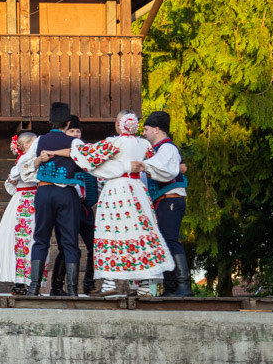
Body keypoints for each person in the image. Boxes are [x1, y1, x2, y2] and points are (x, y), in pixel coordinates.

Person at [72, 110, 175, 296]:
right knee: (140, 232)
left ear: (119, 125)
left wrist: (75, 144)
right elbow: (159, 165)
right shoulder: (144, 145)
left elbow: (90, 158)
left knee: (111, 231)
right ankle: (145, 286)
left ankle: (109, 284)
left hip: (116, 190)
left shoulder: (115, 142)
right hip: (137, 190)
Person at [24, 102, 84, 297]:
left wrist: (40, 160)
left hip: (43, 191)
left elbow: (26, 165)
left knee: (40, 239)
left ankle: (34, 287)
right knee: (69, 241)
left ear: (50, 121)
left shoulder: (40, 140)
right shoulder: (74, 142)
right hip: (66, 192)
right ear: (67, 123)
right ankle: (73, 290)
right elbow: (87, 160)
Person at [132, 110, 192, 297]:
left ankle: (183, 285)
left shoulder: (167, 148)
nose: (144, 133)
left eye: (146, 129)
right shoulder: (159, 150)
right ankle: (171, 286)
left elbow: (162, 167)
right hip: (164, 201)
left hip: (170, 199)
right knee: (164, 241)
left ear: (156, 130)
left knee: (170, 240)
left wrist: (143, 165)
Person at [0, 133, 40, 294]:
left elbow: (13, 181)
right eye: (34, 141)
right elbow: (12, 180)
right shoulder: (25, 159)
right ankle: (21, 281)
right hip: (25, 201)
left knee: (31, 239)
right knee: (22, 239)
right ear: (26, 145)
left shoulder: (32, 159)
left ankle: (30, 281)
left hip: (31, 198)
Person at [50, 116, 97, 296]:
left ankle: (89, 284)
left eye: (78, 131)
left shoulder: (85, 157)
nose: (76, 134)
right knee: (66, 246)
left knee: (95, 245)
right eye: (72, 131)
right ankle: (57, 287)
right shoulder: (60, 157)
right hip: (67, 207)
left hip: (85, 208)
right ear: (65, 133)